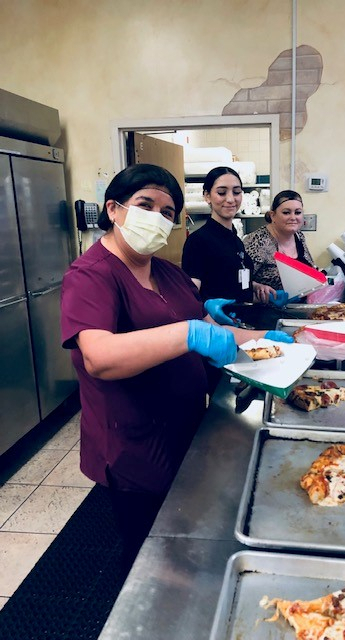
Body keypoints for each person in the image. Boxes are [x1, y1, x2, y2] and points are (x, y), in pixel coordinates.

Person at [60, 163, 292, 574]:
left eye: (167, 213)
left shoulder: (164, 271)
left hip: (184, 423)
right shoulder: (91, 275)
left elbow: (205, 328)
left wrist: (260, 340)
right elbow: (99, 356)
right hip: (132, 440)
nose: (157, 218)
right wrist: (184, 335)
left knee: (183, 528)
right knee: (148, 549)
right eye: (145, 204)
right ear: (113, 209)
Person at [181, 166, 288, 323]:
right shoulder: (199, 241)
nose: (231, 199)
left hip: (244, 320)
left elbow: (229, 278)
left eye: (236, 192)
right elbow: (189, 296)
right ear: (207, 196)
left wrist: (255, 286)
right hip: (219, 327)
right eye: (222, 192)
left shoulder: (236, 240)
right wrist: (207, 313)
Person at [243, 189, 315, 292]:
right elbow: (238, 279)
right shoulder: (256, 241)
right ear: (273, 216)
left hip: (298, 304)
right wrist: (255, 286)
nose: (293, 217)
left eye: (298, 212)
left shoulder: (299, 236)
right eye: (286, 213)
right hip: (267, 306)